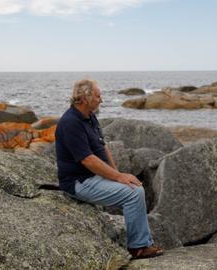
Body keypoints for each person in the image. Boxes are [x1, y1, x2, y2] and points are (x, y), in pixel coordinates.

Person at [55, 79, 163, 260]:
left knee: (134, 187)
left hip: (92, 177)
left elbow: (102, 148)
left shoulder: (89, 116)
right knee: (133, 194)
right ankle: (138, 248)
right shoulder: (70, 123)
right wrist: (119, 178)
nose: (101, 100)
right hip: (77, 182)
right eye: (98, 96)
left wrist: (117, 175)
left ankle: (143, 243)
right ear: (84, 98)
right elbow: (88, 160)